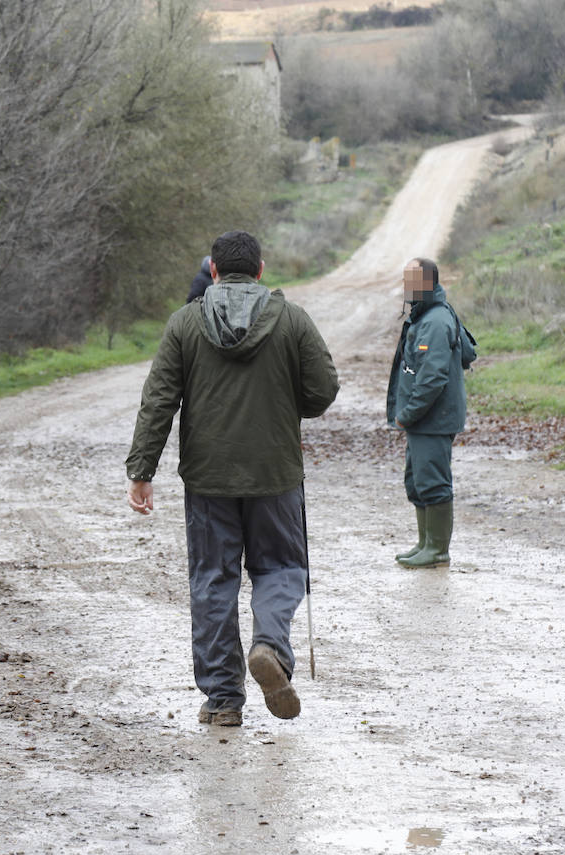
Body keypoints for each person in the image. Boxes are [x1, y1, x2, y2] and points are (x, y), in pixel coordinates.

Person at [126, 230, 339, 727]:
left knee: (213, 582)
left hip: (208, 480)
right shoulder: (290, 320)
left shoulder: (185, 324)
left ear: (214, 271)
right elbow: (323, 390)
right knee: (282, 568)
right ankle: (269, 646)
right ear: (261, 270)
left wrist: (142, 470)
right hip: (276, 475)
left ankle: (223, 700)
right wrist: (292, 402)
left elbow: (159, 399)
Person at [386, 257, 468, 568]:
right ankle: (425, 543)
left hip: (433, 419)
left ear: (429, 282)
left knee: (433, 481)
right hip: (425, 419)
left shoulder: (435, 321)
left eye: (413, 280)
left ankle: (437, 550)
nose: (407, 286)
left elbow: (433, 377)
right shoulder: (425, 315)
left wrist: (408, 413)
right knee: (417, 480)